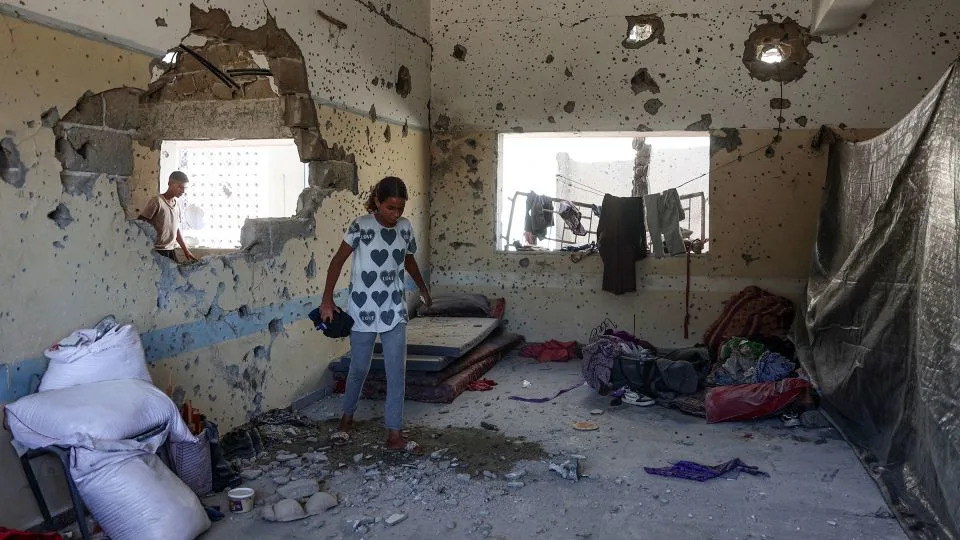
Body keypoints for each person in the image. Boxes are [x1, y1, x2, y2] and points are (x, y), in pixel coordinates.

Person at [320, 176, 431, 453]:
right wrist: (327, 300)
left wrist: (423, 289)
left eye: (400, 209)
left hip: (394, 308)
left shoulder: (405, 228)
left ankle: (394, 435)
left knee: (397, 373)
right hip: (362, 309)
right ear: (377, 202)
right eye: (390, 208)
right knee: (359, 368)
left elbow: (408, 259)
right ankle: (346, 419)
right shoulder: (360, 226)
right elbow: (337, 261)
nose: (395, 214)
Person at [139, 171, 198, 263]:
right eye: (180, 187)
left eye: (184, 188)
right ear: (170, 184)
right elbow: (140, 223)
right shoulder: (157, 202)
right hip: (156, 250)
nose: (183, 191)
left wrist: (186, 250)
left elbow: (176, 229)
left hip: (170, 250)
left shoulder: (177, 204)